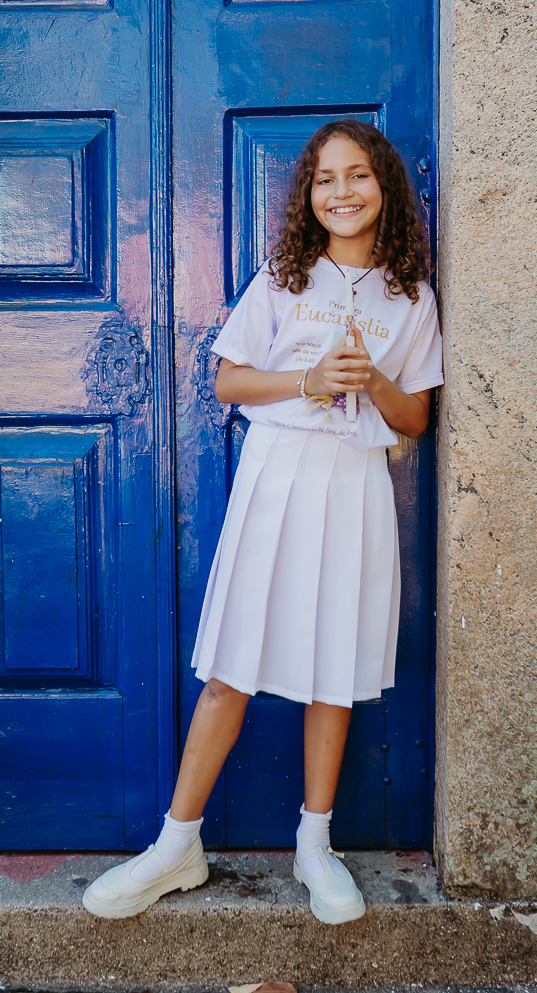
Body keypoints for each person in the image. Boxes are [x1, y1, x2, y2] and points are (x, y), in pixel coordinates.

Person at [82, 119, 444, 924]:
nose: (341, 191)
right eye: (324, 178)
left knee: (334, 667)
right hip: (276, 478)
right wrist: (309, 380)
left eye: (358, 174)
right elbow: (229, 382)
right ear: (308, 196)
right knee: (232, 664)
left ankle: (315, 844)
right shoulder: (285, 278)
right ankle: (176, 845)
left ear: (384, 185)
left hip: (353, 487)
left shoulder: (410, 296)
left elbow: (415, 417)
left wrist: (372, 380)